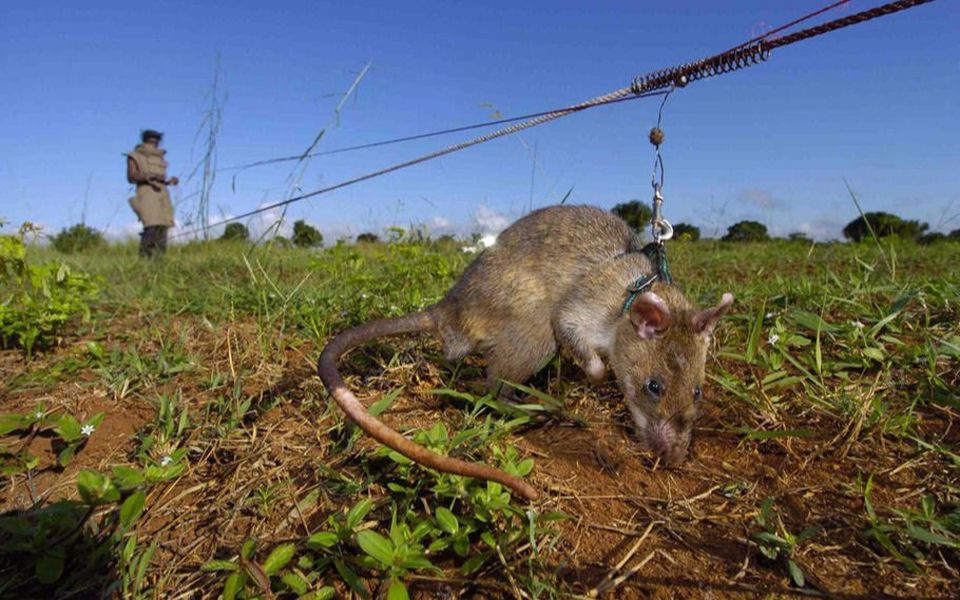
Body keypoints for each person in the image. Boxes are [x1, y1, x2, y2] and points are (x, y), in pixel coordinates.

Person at [126, 129, 177, 257]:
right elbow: (131, 177)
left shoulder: (161, 158)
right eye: (151, 141)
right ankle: (145, 262)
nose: (153, 144)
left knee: (163, 227)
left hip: (162, 193)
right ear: (145, 141)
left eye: (156, 142)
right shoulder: (135, 155)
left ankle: (159, 262)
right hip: (146, 191)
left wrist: (169, 181)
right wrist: (145, 177)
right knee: (151, 226)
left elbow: (161, 178)